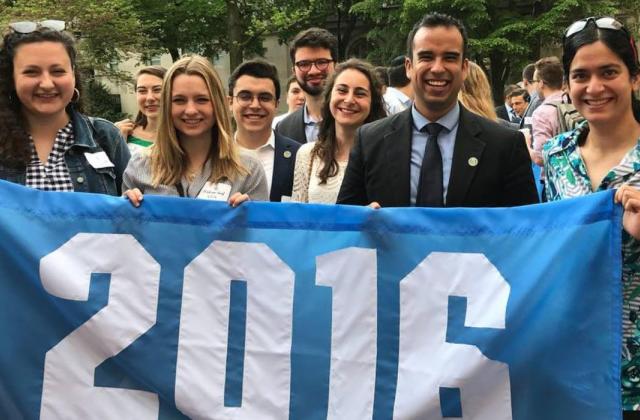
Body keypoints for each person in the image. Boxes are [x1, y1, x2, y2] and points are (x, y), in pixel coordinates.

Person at [337, 13, 538, 208]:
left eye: (450, 57)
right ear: (409, 66)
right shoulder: (370, 140)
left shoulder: (505, 146)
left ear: (465, 68)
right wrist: (362, 219)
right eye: (426, 56)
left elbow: (526, 233)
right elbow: (343, 227)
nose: (438, 68)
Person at [542, 16, 640, 416]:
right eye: (581, 75)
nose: (594, 87)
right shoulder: (556, 154)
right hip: (572, 364)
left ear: (634, 78)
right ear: (566, 85)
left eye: (609, 72)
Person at [0, 21, 129, 195]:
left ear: (73, 74)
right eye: (31, 72)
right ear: (12, 78)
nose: (46, 83)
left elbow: (135, 214)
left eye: (58, 71)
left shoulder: (106, 136)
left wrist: (133, 200)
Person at [123, 55, 268, 206]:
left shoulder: (248, 169)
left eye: (202, 100)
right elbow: (124, 229)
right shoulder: (140, 165)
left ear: (217, 104)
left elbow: (264, 229)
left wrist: (251, 217)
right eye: (179, 100)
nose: (191, 110)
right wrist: (127, 211)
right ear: (167, 106)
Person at [292, 59, 386, 204]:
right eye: (342, 90)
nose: (349, 100)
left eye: (360, 94)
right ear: (329, 96)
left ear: (373, 103)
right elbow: (297, 217)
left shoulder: (385, 157)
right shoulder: (308, 155)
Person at [228, 59, 300, 202]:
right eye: (245, 96)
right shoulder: (213, 155)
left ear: (276, 104)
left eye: (264, 97)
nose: (255, 105)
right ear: (230, 102)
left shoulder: (299, 156)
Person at [275, 28, 337, 144]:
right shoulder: (283, 129)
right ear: (294, 71)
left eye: (322, 62)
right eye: (304, 64)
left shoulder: (356, 118)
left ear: (336, 66)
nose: (313, 71)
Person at [115, 66, 166, 153]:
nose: (149, 98)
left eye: (157, 90)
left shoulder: (187, 137)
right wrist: (114, 142)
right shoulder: (123, 133)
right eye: (142, 91)